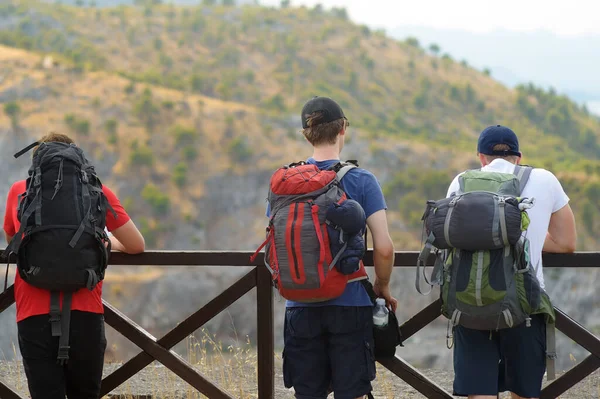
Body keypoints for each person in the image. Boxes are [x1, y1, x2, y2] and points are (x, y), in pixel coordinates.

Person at [3, 133, 145, 399]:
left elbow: (14, 239)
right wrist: (105, 240)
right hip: (86, 314)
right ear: (77, 160)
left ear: (37, 164)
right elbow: (137, 244)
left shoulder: (19, 191)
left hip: (33, 316)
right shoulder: (97, 191)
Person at [272, 96, 397, 399]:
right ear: (343, 129)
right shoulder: (362, 179)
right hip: (350, 301)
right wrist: (381, 287)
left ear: (306, 134)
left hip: (299, 305)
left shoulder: (284, 182)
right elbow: (383, 248)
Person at [446, 125, 576, 399]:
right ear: (519, 156)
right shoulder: (545, 179)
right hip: (526, 303)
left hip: (472, 301)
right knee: (523, 392)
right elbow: (566, 242)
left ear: (481, 157)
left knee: (479, 393)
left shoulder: (461, 181)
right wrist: (530, 237)